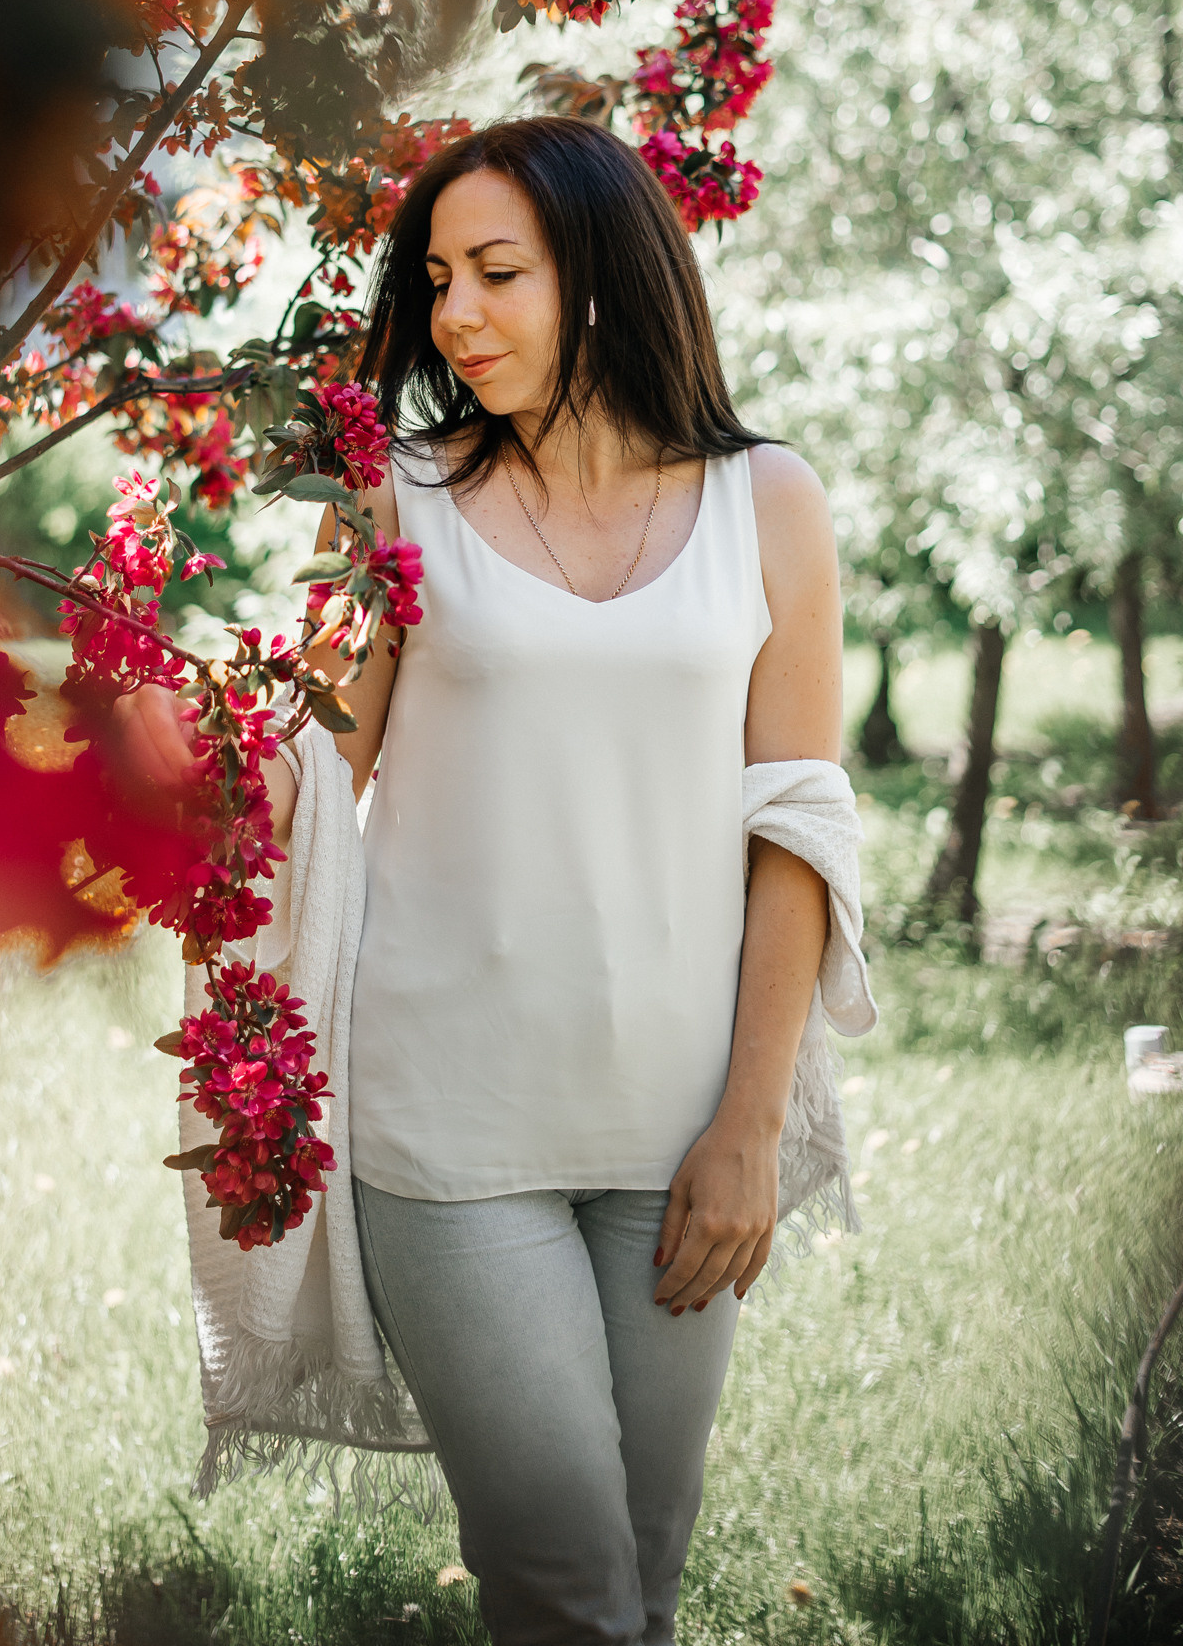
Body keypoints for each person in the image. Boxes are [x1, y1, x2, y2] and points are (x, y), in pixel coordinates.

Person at [258, 116, 847, 1646]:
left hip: (680, 1131)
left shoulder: (768, 504)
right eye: (438, 277)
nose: (454, 314)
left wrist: (750, 1126)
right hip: (451, 1132)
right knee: (566, 1585)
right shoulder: (401, 507)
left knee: (645, 1572)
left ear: (598, 273)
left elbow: (798, 824)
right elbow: (302, 786)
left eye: (496, 272)